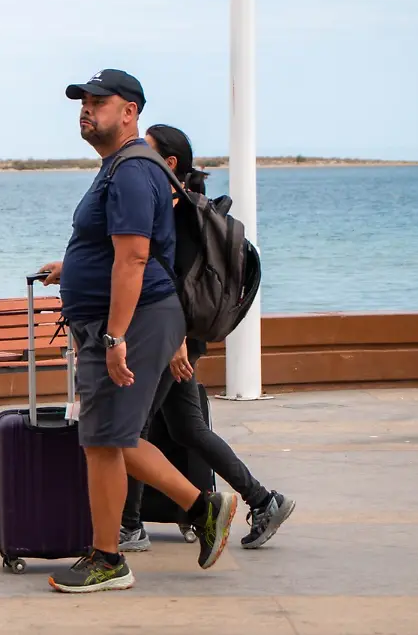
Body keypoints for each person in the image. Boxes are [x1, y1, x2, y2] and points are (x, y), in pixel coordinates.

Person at [37, 69, 237, 594]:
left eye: (99, 101)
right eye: (82, 101)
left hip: (131, 321)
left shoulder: (129, 170)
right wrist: (71, 268)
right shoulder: (121, 168)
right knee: (109, 437)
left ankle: (109, 558)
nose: (87, 109)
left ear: (130, 111)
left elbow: (135, 256)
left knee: (105, 439)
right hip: (126, 318)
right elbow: (116, 251)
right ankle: (201, 505)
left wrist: (114, 336)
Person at [116, 124, 296, 554]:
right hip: (178, 338)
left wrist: (175, 343)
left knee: (131, 430)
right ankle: (264, 500)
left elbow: (172, 284)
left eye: (149, 151)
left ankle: (128, 527)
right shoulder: (182, 208)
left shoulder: (176, 214)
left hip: (170, 339)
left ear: (170, 163)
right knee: (187, 428)